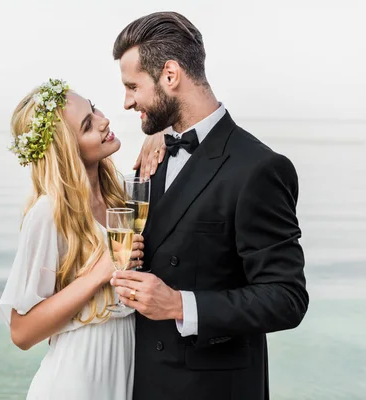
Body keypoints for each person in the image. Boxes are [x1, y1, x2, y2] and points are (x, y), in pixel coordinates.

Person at [109, 12, 309, 400]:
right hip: (144, 382)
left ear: (170, 75)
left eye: (133, 86)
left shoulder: (258, 168)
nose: (127, 101)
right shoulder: (154, 156)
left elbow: (287, 297)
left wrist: (179, 305)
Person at [0, 79, 143, 399]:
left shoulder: (122, 195)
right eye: (88, 125)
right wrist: (100, 272)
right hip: (74, 384)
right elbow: (21, 332)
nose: (104, 120)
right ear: (67, 150)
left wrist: (158, 136)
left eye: (94, 109)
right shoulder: (49, 214)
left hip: (123, 377)